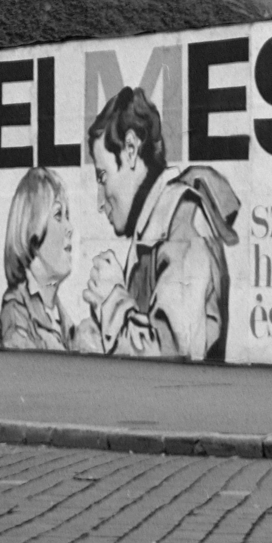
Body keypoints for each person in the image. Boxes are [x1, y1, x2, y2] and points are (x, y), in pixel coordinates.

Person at [83, 87, 240, 362]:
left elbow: (173, 353)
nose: (100, 201)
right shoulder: (155, 233)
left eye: (102, 176)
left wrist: (111, 302)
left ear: (131, 149)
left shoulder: (183, 225)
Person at [0, 167, 79, 352]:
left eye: (68, 216)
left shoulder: (64, 322)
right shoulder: (16, 316)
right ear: (33, 229)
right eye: (58, 215)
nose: (69, 227)